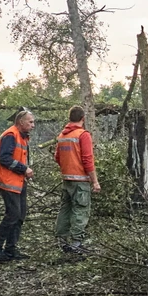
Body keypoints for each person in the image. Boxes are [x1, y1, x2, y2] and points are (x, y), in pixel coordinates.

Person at [0, 109, 35, 261]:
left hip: (18, 180)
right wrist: (24, 168)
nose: (33, 125)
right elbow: (4, 158)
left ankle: (10, 249)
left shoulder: (22, 136)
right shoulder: (10, 135)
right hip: (8, 181)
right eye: (30, 122)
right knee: (13, 215)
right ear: (21, 122)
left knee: (20, 215)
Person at [54, 106, 101, 255]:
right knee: (80, 211)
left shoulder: (62, 136)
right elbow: (88, 159)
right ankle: (76, 244)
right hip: (80, 181)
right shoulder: (83, 135)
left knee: (65, 209)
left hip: (66, 179)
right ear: (83, 118)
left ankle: (61, 241)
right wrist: (95, 181)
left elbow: (57, 157)